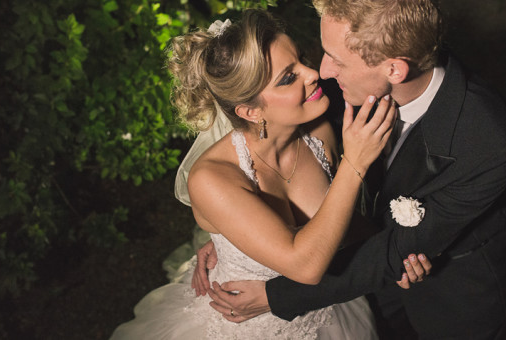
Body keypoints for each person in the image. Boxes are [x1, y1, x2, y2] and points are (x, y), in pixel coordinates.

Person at [199, 0, 506, 339]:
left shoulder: (489, 141)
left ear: (394, 70)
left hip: (449, 295)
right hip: (358, 287)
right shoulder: (328, 94)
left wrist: (275, 295)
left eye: (336, 60)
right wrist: (234, 232)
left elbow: (401, 246)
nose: (321, 72)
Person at [110, 9, 423, 340]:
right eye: (288, 77)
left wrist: (392, 252)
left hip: (327, 315)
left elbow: (338, 220)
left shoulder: (318, 132)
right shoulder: (212, 178)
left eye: (301, 59)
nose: (313, 73)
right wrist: (354, 164)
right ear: (251, 111)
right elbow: (306, 266)